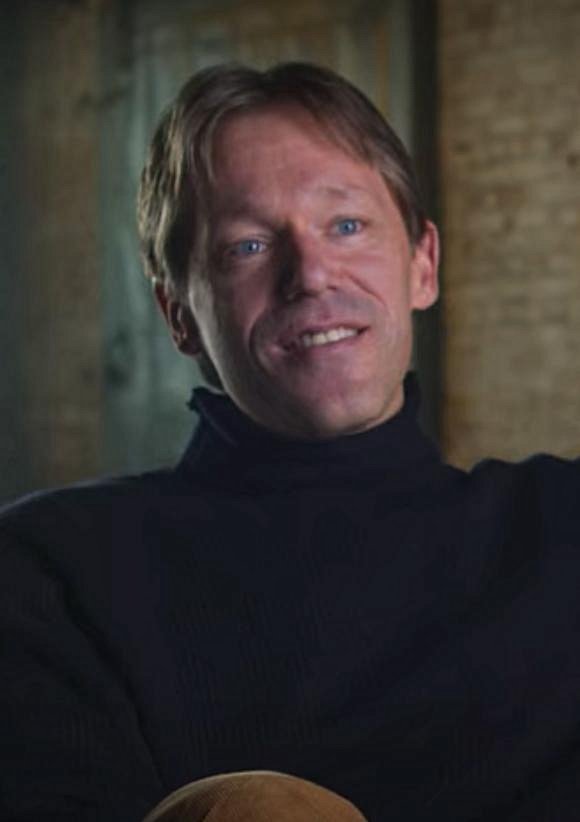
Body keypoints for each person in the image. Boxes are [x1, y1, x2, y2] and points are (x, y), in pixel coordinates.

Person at [1, 61, 579, 822]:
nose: (310, 274)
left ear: (423, 264)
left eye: (347, 226)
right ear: (179, 314)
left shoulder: (561, 529)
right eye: (246, 246)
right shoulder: (51, 573)